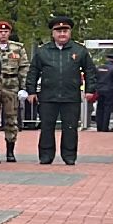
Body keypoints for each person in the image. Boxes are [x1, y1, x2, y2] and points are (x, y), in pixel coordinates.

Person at [24, 14, 93, 165]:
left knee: (70, 128)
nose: (62, 34)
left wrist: (90, 90)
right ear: (53, 33)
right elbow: (33, 72)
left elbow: (90, 71)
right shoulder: (43, 51)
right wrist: (31, 91)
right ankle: (46, 155)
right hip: (48, 96)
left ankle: (69, 156)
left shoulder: (80, 50)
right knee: (47, 127)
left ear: (70, 32)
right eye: (58, 31)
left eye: (65, 31)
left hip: (71, 96)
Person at [0, 20, 29, 163]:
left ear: (9, 33)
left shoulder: (18, 48)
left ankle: (10, 151)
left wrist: (24, 88)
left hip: (11, 86)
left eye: (6, 31)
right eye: (0, 31)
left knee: (11, 119)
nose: (3, 34)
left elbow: (24, 68)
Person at [93, 56, 113, 132]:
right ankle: (104, 127)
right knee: (107, 109)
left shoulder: (99, 68)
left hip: (99, 90)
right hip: (110, 91)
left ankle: (99, 127)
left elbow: (94, 79)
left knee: (99, 109)